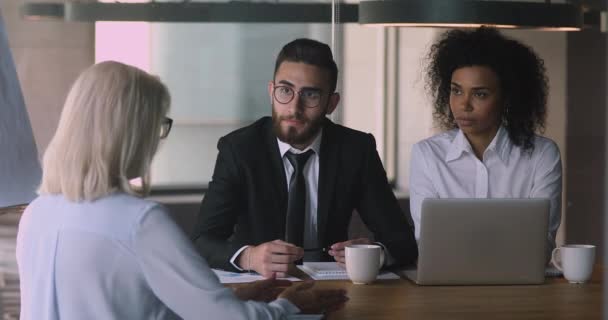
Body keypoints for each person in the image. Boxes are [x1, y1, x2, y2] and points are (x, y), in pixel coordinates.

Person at [16, 61, 347, 319]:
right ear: (132, 132)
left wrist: (234, 296)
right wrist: (288, 306)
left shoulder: (37, 214)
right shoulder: (139, 222)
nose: (157, 141)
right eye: (158, 125)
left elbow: (130, 307)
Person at [193, 38, 418, 277]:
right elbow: (201, 241)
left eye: (310, 95)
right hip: (259, 288)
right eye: (285, 91)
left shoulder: (356, 150)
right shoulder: (239, 149)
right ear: (271, 91)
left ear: (331, 103)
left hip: (333, 289)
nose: (293, 107)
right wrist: (250, 256)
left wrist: (373, 253)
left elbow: (402, 241)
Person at [409, 27, 562, 259]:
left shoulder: (542, 155)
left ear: (507, 97)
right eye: (456, 91)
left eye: (480, 94)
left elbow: (540, 244)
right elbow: (427, 242)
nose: (464, 105)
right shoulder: (428, 155)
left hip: (522, 289)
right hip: (447, 286)